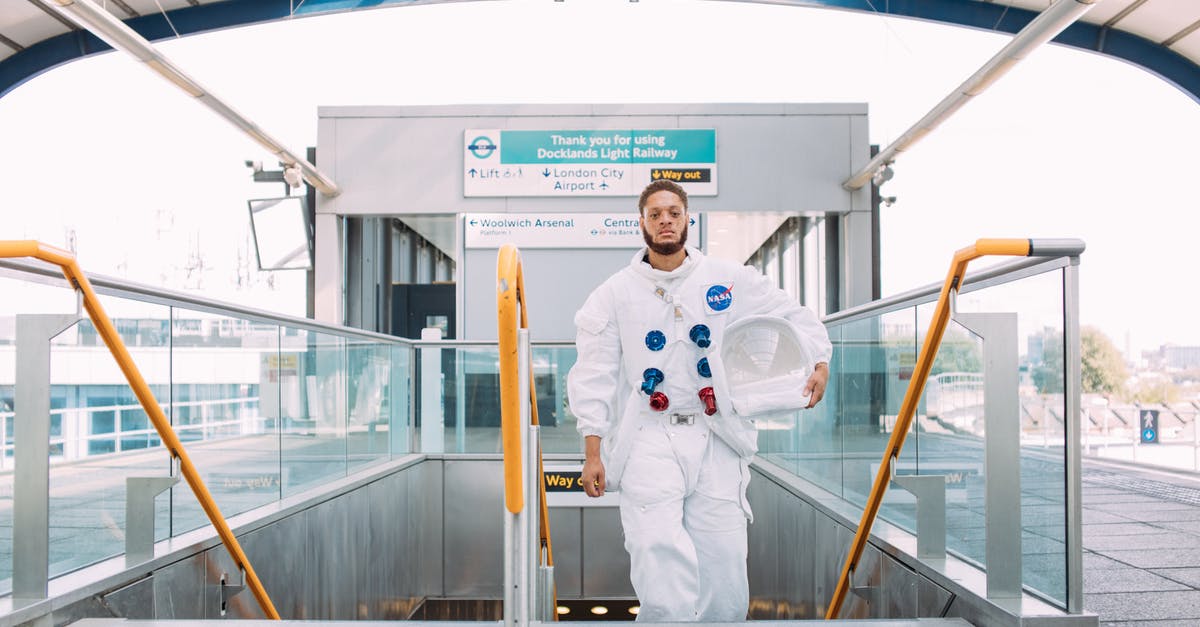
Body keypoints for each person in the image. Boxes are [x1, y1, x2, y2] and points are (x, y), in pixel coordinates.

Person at [567, 179, 833, 622]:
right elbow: (594, 374)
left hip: (716, 435)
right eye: (655, 214)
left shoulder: (727, 279)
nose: (665, 221)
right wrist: (593, 450)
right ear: (642, 224)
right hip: (649, 437)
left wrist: (818, 359)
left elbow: (790, 312)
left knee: (725, 562)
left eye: (673, 212)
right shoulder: (614, 294)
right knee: (657, 559)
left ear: (688, 218)